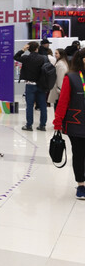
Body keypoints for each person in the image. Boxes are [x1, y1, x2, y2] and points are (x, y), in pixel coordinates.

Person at [53, 49, 85, 199]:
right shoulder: (71, 77)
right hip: (76, 123)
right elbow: (63, 101)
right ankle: (81, 184)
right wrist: (57, 122)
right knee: (79, 154)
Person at [14, 42, 47, 131]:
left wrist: (23, 50)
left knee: (29, 106)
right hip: (41, 85)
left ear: (29, 49)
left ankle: (29, 125)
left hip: (30, 85)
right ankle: (42, 125)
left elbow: (15, 57)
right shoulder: (43, 58)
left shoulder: (26, 58)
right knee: (43, 106)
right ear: (37, 48)